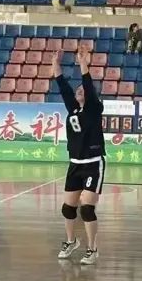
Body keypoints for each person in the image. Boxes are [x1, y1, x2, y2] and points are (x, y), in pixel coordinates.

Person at [54, 47, 104, 266]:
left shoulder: (94, 108)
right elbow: (62, 86)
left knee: (87, 208)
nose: (80, 91)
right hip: (75, 164)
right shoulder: (73, 110)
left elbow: (88, 85)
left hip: (93, 163)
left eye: (83, 90)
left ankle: (92, 249)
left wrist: (83, 63)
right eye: (78, 90)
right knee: (68, 208)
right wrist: (56, 64)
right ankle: (71, 241)